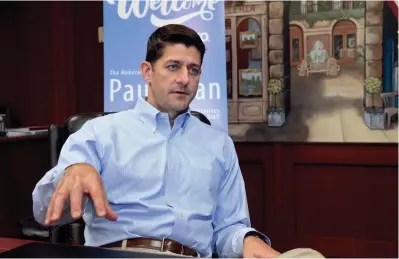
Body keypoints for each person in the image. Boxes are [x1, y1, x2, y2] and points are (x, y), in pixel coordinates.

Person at [32, 24, 323, 258]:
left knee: (308, 256)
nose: (185, 79)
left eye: (193, 70)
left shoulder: (219, 145)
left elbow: (228, 228)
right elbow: (45, 213)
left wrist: (247, 240)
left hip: (193, 256)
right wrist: (72, 172)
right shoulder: (98, 134)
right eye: (173, 67)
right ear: (147, 71)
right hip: (120, 254)